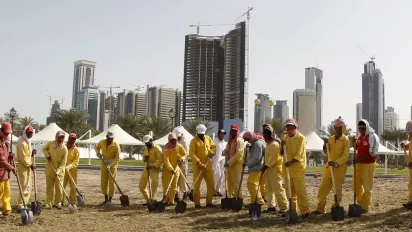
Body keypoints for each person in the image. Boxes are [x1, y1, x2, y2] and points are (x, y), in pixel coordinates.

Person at [313, 117, 349, 215]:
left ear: (343, 128)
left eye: (339, 127)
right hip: (329, 167)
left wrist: (336, 162)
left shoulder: (345, 140)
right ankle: (320, 208)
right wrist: (325, 146)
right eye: (336, 127)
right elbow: (326, 153)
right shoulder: (331, 139)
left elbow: (345, 156)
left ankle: (336, 207)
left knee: (337, 189)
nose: (337, 129)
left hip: (339, 168)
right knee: (323, 188)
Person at [281, 118, 310, 217]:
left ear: (295, 127)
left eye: (291, 127)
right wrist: (282, 145)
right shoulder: (285, 138)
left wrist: (290, 162)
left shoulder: (301, 138)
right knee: (290, 192)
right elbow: (281, 153)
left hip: (298, 170)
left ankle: (305, 211)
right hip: (288, 170)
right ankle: (292, 210)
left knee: (300, 191)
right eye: (287, 127)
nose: (289, 129)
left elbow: (300, 154)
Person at [352, 119, 379, 214]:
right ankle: (359, 203)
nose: (361, 131)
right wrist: (353, 143)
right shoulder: (360, 136)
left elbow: (372, 153)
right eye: (359, 129)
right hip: (359, 164)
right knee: (356, 185)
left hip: (368, 164)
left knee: (367, 186)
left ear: (366, 128)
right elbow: (357, 148)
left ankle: (365, 206)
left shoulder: (373, 137)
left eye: (362, 129)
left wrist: (359, 159)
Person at [262, 124, 288, 215]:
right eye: (264, 134)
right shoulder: (268, 144)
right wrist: (266, 166)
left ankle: (284, 207)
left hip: (275, 169)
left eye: (267, 134)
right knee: (268, 188)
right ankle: (271, 206)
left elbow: (274, 159)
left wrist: (265, 166)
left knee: (278, 188)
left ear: (271, 134)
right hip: (269, 169)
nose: (265, 136)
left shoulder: (274, 144)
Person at [189, 124, 216, 208]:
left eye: (202, 134)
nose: (201, 135)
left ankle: (209, 202)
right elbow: (192, 154)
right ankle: (197, 203)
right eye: (200, 134)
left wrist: (212, 152)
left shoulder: (208, 139)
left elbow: (213, 147)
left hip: (208, 166)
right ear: (196, 132)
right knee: (197, 186)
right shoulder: (193, 141)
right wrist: (199, 163)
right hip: (198, 167)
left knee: (211, 184)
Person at [43, 130, 68, 209]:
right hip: (50, 169)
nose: (60, 139)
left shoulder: (64, 149)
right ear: (56, 137)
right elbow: (44, 149)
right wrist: (47, 155)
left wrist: (58, 171)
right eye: (59, 137)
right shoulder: (50, 144)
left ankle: (58, 203)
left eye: (62, 137)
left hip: (59, 172)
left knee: (59, 189)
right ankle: (48, 203)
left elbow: (63, 163)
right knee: (49, 188)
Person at [95, 131, 121, 206]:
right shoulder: (102, 142)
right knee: (103, 182)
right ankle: (105, 198)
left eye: (112, 138)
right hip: (104, 164)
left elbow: (117, 158)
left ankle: (110, 199)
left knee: (111, 182)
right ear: (106, 137)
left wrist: (111, 165)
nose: (111, 140)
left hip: (112, 166)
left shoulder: (116, 145)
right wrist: (98, 153)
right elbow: (97, 147)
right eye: (109, 138)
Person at [163, 133, 188, 205]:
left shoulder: (179, 146)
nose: (174, 141)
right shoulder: (166, 149)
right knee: (166, 185)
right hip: (167, 170)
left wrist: (182, 159)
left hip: (176, 168)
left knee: (174, 185)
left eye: (175, 140)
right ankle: (165, 200)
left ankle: (171, 201)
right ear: (169, 140)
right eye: (172, 140)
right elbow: (166, 161)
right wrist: (171, 169)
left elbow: (185, 154)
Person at [139, 132, 163, 206]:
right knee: (141, 185)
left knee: (154, 184)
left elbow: (161, 160)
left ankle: (154, 199)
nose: (146, 144)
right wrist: (144, 159)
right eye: (145, 143)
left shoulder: (157, 148)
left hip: (154, 169)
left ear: (151, 140)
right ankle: (148, 200)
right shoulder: (146, 148)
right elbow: (144, 158)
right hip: (147, 167)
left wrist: (153, 166)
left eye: (147, 143)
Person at [243, 131, 265, 206]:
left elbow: (256, 158)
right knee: (252, 185)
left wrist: (247, 163)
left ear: (252, 137)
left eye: (248, 139)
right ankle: (254, 201)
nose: (247, 141)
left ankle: (258, 201)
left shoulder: (258, 144)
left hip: (257, 167)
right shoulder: (255, 144)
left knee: (252, 184)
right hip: (255, 167)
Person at [16, 126, 36, 211]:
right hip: (23, 167)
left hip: (27, 166)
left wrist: (32, 154)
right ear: (25, 132)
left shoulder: (27, 142)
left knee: (28, 186)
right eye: (29, 132)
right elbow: (22, 157)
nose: (30, 134)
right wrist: (30, 165)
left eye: (31, 132)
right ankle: (21, 205)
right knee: (23, 186)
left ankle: (25, 203)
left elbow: (27, 156)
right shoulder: (21, 143)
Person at [224, 124, 245, 200]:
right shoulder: (230, 140)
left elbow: (239, 153)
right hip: (229, 164)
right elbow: (227, 148)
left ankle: (238, 198)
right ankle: (231, 197)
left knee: (236, 182)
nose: (233, 132)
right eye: (232, 130)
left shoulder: (240, 140)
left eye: (234, 131)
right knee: (229, 181)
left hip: (236, 164)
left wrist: (230, 162)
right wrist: (225, 151)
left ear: (237, 131)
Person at [0, 122, 16, 218]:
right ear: (1, 130)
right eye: (6, 133)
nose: (7, 135)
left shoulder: (5, 141)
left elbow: (5, 157)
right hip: (1, 171)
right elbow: (1, 159)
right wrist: (11, 167)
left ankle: (7, 210)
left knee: (6, 192)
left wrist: (10, 157)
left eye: (8, 133)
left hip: (5, 172)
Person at [172, 126, 190, 200]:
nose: (178, 138)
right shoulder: (173, 141)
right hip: (175, 163)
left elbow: (187, 153)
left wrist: (182, 159)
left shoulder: (185, 142)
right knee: (175, 179)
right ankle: (176, 194)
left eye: (178, 136)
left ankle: (185, 193)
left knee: (182, 179)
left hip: (183, 164)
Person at [63, 133, 80, 205]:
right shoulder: (63, 147)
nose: (72, 140)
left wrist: (70, 166)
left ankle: (72, 201)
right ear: (68, 138)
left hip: (72, 171)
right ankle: (60, 201)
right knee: (62, 186)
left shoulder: (76, 150)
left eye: (74, 139)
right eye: (71, 138)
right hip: (63, 170)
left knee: (73, 187)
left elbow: (76, 161)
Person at [401, 120, 412, 209]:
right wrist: (405, 146)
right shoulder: (411, 140)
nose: (409, 134)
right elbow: (409, 146)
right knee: (410, 184)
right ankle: (411, 201)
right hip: (411, 166)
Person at [213, 129, 227, 196]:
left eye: (224, 134)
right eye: (221, 134)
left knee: (222, 175)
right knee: (216, 175)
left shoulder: (224, 142)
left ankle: (217, 190)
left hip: (222, 161)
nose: (223, 135)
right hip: (215, 161)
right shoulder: (214, 141)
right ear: (218, 134)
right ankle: (212, 190)